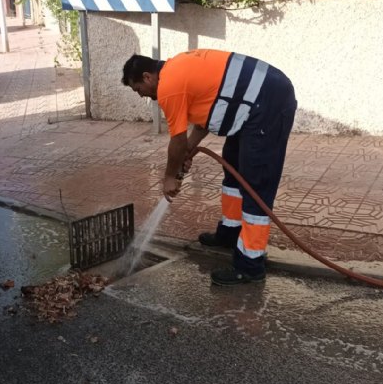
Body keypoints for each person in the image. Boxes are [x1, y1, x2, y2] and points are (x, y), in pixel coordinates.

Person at [122, 49, 297, 286]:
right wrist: (189, 150)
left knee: (256, 181)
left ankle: (250, 264)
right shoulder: (177, 68)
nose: (142, 95)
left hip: (269, 103)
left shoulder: (168, 87)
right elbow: (204, 118)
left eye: (138, 90)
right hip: (252, 106)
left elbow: (177, 139)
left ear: (147, 77)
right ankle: (230, 233)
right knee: (233, 165)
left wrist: (169, 177)